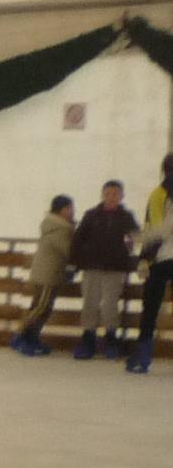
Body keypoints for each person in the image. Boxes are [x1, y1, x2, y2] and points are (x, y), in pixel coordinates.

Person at [68, 179, 138, 360]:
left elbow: (135, 238)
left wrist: (130, 255)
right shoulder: (91, 215)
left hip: (115, 268)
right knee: (90, 302)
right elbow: (78, 239)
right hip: (92, 266)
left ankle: (111, 339)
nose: (111, 197)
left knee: (109, 304)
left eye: (115, 194)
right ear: (102, 195)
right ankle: (88, 339)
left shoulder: (126, 217)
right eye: (108, 194)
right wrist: (73, 262)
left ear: (121, 196)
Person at [11, 196, 74, 356]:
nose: (72, 212)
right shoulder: (59, 229)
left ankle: (31, 337)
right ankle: (20, 335)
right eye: (69, 208)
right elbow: (68, 251)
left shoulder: (56, 226)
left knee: (43, 307)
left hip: (48, 272)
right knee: (41, 307)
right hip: (48, 274)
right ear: (62, 210)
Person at [130, 154, 173, 374]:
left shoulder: (159, 194)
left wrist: (137, 241)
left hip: (161, 258)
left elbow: (157, 230)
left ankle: (143, 356)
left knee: (151, 307)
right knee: (151, 307)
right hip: (163, 256)